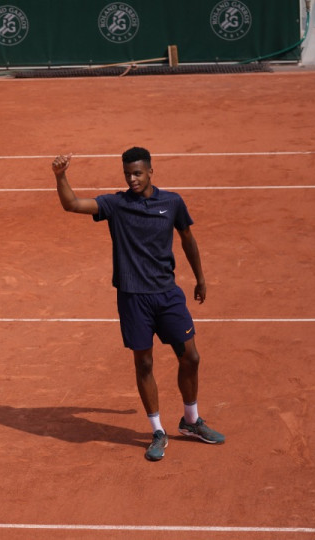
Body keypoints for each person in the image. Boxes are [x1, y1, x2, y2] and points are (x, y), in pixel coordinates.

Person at [51, 147, 224, 461]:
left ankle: (191, 421)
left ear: (150, 172)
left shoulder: (172, 202)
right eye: (127, 173)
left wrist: (200, 278)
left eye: (137, 173)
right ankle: (157, 430)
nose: (132, 179)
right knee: (144, 363)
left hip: (167, 294)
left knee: (191, 357)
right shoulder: (116, 205)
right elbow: (72, 204)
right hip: (133, 298)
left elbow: (187, 238)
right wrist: (61, 176)